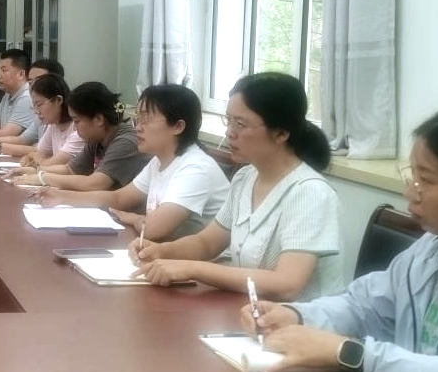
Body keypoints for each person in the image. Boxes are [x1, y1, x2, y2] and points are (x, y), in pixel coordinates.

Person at [240, 103, 438, 372]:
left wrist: (354, 355)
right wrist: (296, 316)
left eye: (426, 180)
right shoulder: (433, 248)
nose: (411, 192)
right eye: (412, 175)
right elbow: (364, 305)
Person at [130, 72, 341, 301]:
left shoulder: (310, 193)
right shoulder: (245, 178)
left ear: (281, 133)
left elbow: (286, 284)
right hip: (250, 309)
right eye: (228, 120)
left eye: (240, 124)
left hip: (300, 319)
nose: (229, 132)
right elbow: (206, 243)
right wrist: (162, 251)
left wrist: (192, 269)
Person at [40, 84, 229, 241]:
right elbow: (119, 198)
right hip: (167, 254)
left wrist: (133, 218)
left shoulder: (196, 168)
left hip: (205, 266)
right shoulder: (159, 160)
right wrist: (62, 196)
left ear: (178, 126)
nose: (138, 127)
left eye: (146, 120)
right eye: (138, 119)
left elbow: (153, 229)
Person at [9, 81, 149, 193]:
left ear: (98, 120)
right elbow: (70, 169)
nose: (75, 128)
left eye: (77, 121)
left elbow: (94, 184)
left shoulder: (126, 141)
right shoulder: (97, 138)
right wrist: (36, 170)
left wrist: (43, 178)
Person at [0, 74, 82, 167]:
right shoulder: (53, 125)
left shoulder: (78, 129)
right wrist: (31, 158)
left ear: (58, 100)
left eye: (39, 105)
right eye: (34, 106)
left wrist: (38, 161)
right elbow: (38, 153)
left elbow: (49, 164)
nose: (36, 111)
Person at [0, 59, 64, 152]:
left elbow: (43, 152)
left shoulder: (67, 122)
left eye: (39, 82)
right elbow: (23, 140)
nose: (33, 87)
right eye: (30, 82)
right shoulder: (43, 114)